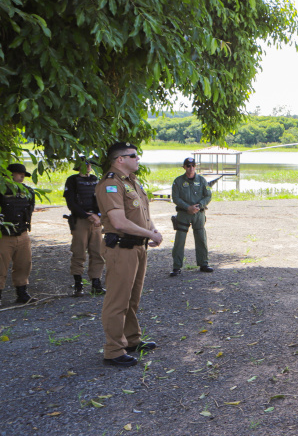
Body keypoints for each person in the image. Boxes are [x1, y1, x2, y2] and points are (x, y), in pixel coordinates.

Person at [96, 142, 163, 368]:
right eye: (133, 155)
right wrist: (150, 235)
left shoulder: (132, 182)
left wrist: (151, 231)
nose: (137, 159)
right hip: (121, 249)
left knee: (132, 299)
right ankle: (113, 350)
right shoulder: (110, 184)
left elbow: (142, 212)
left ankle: (132, 340)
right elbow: (118, 222)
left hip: (137, 247)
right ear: (120, 159)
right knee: (118, 300)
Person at [64, 159, 105, 296]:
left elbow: (101, 199)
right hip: (81, 220)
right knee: (79, 252)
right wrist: (86, 215)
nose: (88, 166)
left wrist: (98, 215)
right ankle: (78, 284)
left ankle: (96, 283)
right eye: (85, 164)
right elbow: (71, 203)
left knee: (97, 252)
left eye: (90, 164)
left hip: (96, 221)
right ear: (79, 166)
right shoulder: (72, 181)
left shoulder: (95, 180)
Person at [169, 157, 213, 277]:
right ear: (184, 167)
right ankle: (176, 267)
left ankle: (203, 263)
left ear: (196, 166)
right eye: (188, 166)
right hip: (184, 214)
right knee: (179, 241)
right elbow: (175, 198)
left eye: (193, 165)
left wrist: (199, 205)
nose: (191, 168)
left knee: (201, 239)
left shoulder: (202, 180)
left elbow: (208, 195)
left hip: (198, 214)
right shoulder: (178, 181)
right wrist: (188, 207)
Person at [0, 163, 37, 304]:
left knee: (24, 264)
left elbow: (29, 210)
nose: (22, 176)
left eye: (23, 174)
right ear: (10, 175)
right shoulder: (1, 190)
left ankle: (22, 293)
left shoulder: (28, 191)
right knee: (1, 266)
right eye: (18, 173)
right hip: (4, 235)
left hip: (22, 233)